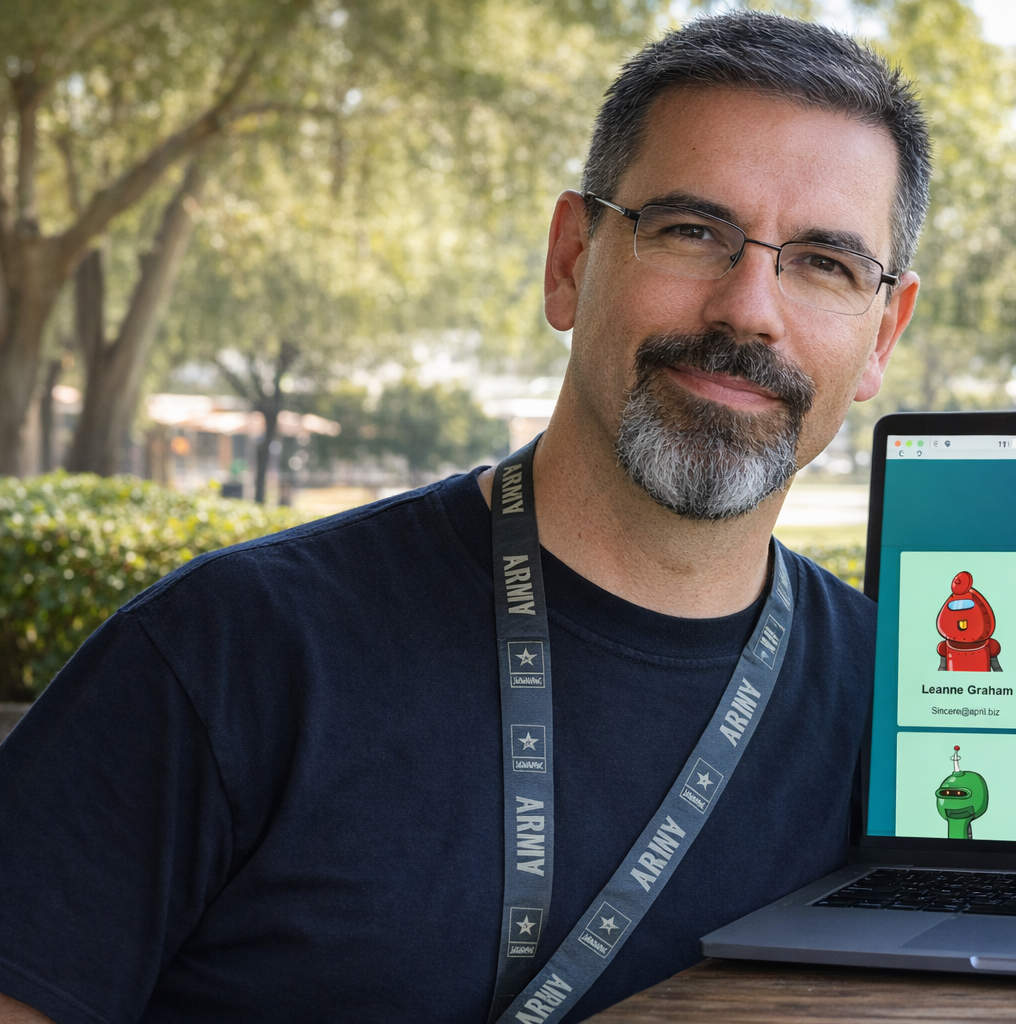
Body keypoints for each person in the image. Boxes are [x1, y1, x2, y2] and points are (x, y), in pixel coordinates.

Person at [0, 12, 927, 1024]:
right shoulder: (230, 655)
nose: (750, 307)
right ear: (570, 259)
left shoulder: (908, 717)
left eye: (825, 264)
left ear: (882, 334)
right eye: (692, 231)